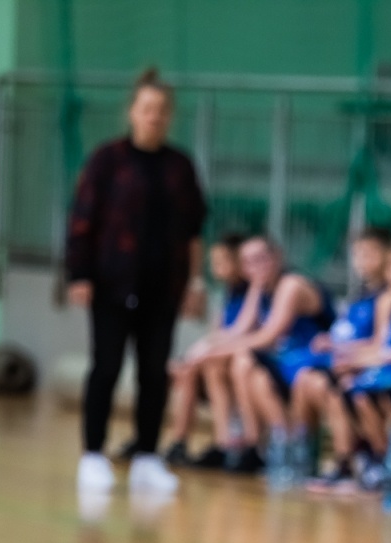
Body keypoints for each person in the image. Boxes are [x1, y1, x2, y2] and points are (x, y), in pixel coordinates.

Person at [66, 67, 208, 495]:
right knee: (106, 367)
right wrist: (79, 274)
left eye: (162, 110)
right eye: (147, 108)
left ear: (170, 116)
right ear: (132, 112)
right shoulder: (107, 160)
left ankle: (147, 455)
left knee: (154, 372)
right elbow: (82, 220)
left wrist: (195, 283)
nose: (154, 116)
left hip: (163, 288)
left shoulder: (180, 166)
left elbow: (193, 230)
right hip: (112, 284)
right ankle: (93, 453)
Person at [306, 242, 391, 493]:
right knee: (353, 390)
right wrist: (347, 355)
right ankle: (374, 458)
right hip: (389, 367)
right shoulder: (387, 302)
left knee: (377, 394)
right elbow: (381, 344)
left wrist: (358, 361)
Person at [220, 236, 336, 475]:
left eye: (261, 259)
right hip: (286, 363)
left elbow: (269, 336)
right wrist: (255, 288)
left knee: (244, 360)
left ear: (277, 257)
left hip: (310, 363)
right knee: (250, 372)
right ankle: (262, 447)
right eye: (248, 262)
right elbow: (240, 330)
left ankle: (288, 446)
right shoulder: (261, 289)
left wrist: (214, 351)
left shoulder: (291, 284)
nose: (256, 267)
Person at [164, 231, 248, 466]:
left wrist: (198, 355)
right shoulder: (230, 292)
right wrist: (192, 357)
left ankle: (224, 443)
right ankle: (179, 442)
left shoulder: (251, 292)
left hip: (240, 361)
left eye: (221, 261)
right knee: (186, 370)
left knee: (211, 366)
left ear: (238, 262)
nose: (214, 267)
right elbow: (216, 333)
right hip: (224, 357)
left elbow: (239, 335)